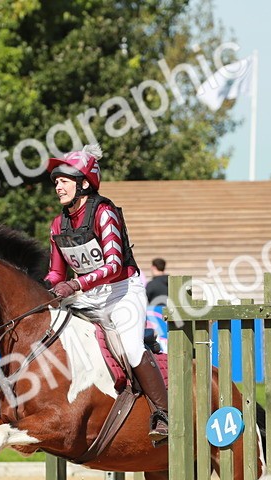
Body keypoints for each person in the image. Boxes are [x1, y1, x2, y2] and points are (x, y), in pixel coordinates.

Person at [44, 143, 169, 444]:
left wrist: (73, 285)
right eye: (56, 181)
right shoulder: (58, 224)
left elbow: (114, 265)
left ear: (84, 183)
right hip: (87, 296)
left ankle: (163, 414)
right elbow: (56, 273)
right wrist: (44, 288)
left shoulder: (104, 213)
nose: (57, 185)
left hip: (122, 291)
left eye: (64, 179)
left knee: (130, 348)